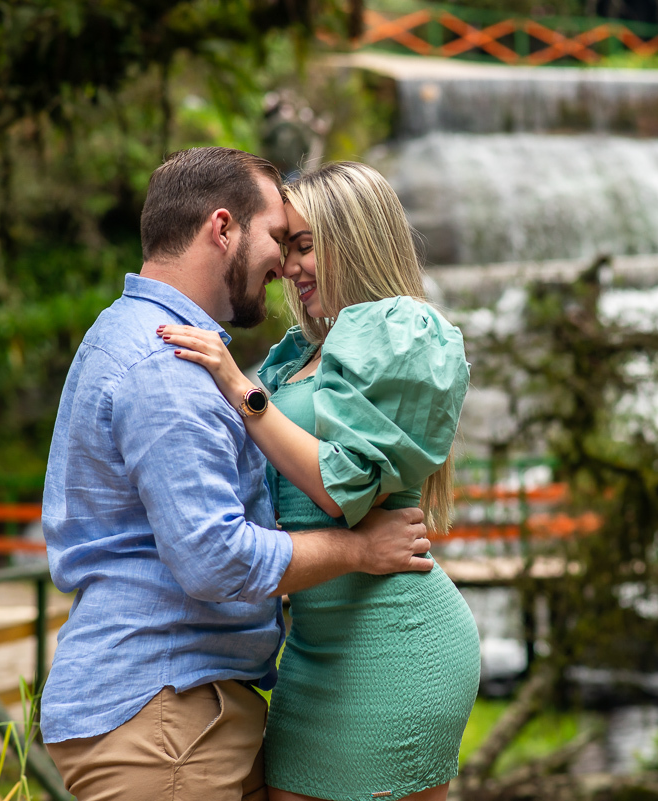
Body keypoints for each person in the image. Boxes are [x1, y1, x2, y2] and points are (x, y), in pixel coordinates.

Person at [41, 148, 435, 801]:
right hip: (167, 720)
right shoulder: (165, 364)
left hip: (189, 714)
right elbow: (214, 559)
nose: (284, 264)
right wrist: (361, 548)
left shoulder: (141, 335)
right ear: (223, 229)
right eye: (279, 239)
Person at [157, 162, 482, 801]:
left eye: (306, 246)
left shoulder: (403, 331)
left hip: (394, 640)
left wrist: (242, 391)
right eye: (285, 249)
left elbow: (340, 488)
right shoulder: (300, 353)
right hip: (311, 650)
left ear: (355, 240)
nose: (289, 267)